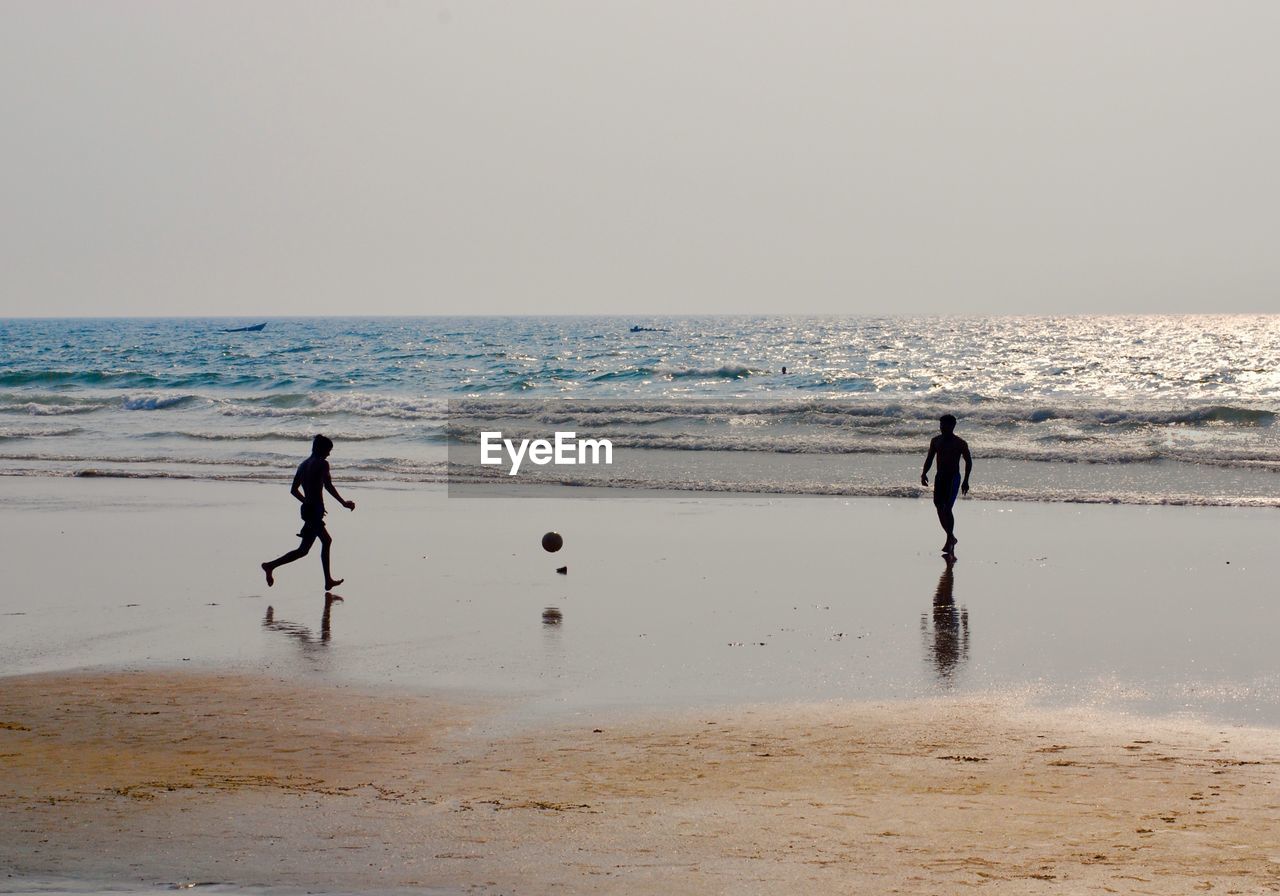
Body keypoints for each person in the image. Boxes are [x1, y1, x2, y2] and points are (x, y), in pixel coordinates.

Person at [262, 435, 355, 590]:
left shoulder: (303, 465)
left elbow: (294, 490)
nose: (329, 454)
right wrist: (343, 502)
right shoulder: (322, 464)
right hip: (313, 510)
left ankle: (270, 566)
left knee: (303, 550)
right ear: (320, 449)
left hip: (308, 509)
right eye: (328, 450)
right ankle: (328, 580)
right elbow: (328, 486)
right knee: (326, 541)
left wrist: (308, 502)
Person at [920, 414, 971, 556]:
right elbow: (930, 458)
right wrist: (924, 473)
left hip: (953, 478)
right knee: (938, 506)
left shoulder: (960, 443)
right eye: (941, 425)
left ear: (953, 426)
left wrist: (966, 480)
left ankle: (949, 538)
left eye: (945, 425)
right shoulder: (936, 441)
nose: (942, 428)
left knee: (947, 508)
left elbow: (968, 461)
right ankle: (951, 537)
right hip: (940, 477)